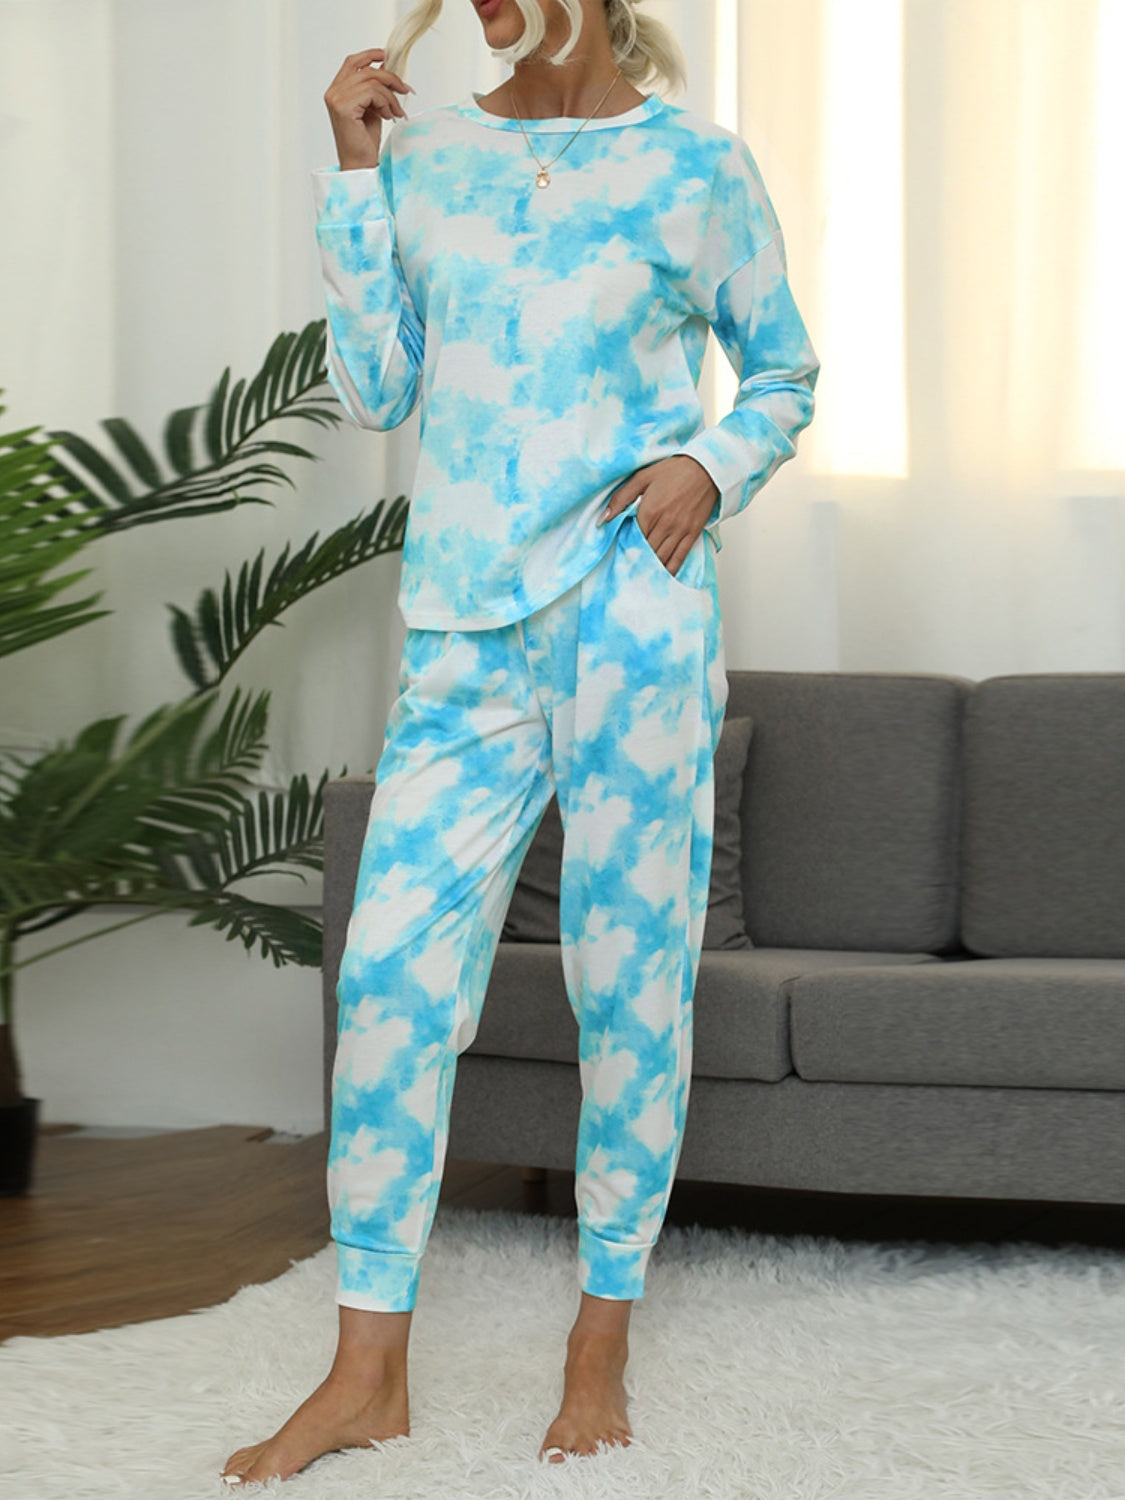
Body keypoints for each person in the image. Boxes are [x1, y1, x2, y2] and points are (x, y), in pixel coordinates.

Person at [222, 0, 818, 1484]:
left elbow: (784, 374)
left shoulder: (695, 166)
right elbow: (379, 390)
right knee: (389, 983)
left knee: (631, 984)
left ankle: (599, 1336)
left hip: (633, 614)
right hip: (462, 629)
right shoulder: (427, 158)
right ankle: (366, 1372)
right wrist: (354, 175)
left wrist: (709, 463)